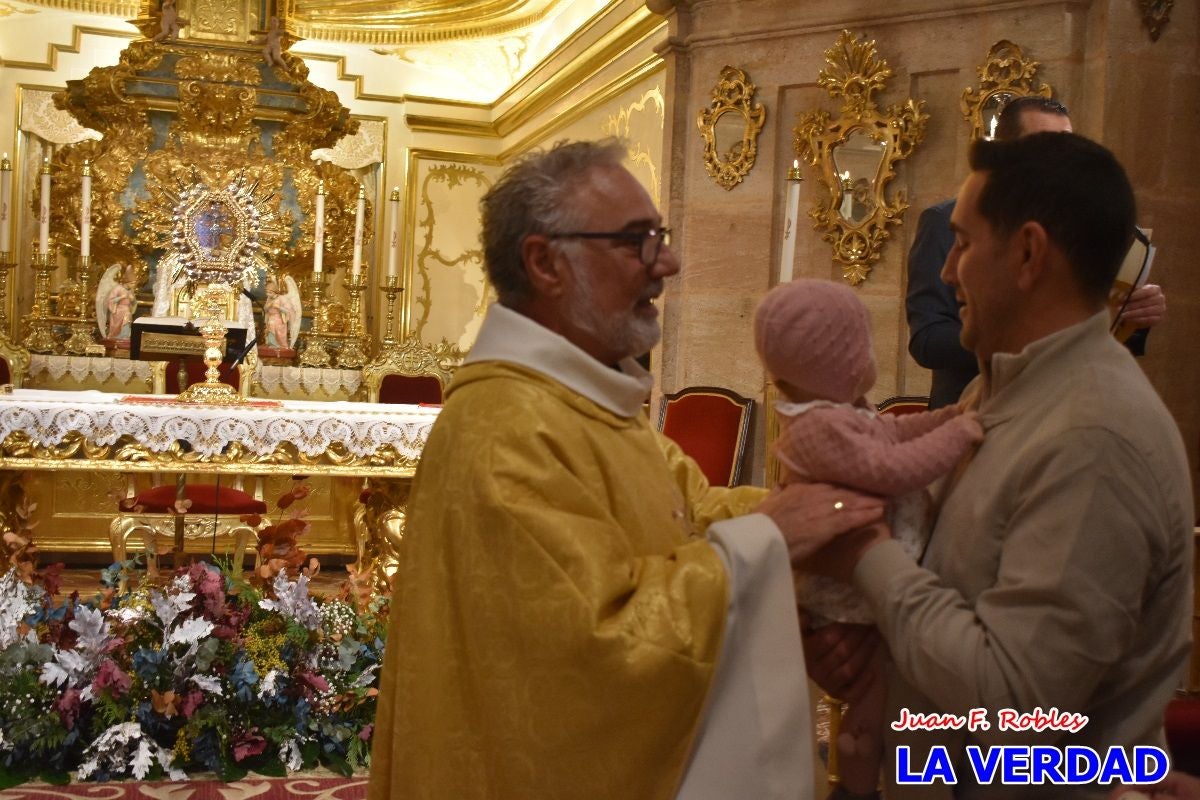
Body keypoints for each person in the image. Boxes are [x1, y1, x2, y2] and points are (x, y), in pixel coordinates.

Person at [367, 138, 886, 800]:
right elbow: (592, 650)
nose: (667, 261)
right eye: (638, 240)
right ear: (545, 262)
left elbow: (693, 514)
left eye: (659, 236)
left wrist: (829, 520)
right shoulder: (505, 429)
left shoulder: (584, 404)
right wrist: (774, 541)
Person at [808, 132, 1194, 799]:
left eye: (962, 242)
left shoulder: (1093, 436)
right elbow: (957, 592)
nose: (948, 272)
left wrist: (867, 556)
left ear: (1027, 253)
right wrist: (873, 647)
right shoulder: (999, 389)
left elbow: (1015, 704)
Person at [754, 278, 984, 799]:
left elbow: (892, 434)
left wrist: (947, 415)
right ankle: (854, 786)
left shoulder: (839, 413)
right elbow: (889, 467)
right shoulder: (817, 428)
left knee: (877, 694)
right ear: (841, 361)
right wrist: (957, 435)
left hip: (864, 578)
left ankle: (860, 776)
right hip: (845, 589)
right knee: (871, 693)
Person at [905, 96, 1167, 408]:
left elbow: (1088, 321)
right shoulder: (945, 221)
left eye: (1065, 146)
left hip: (1063, 403)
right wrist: (1034, 340)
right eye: (1045, 147)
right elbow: (928, 341)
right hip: (970, 409)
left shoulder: (1078, 226)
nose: (1060, 161)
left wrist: (1132, 315)